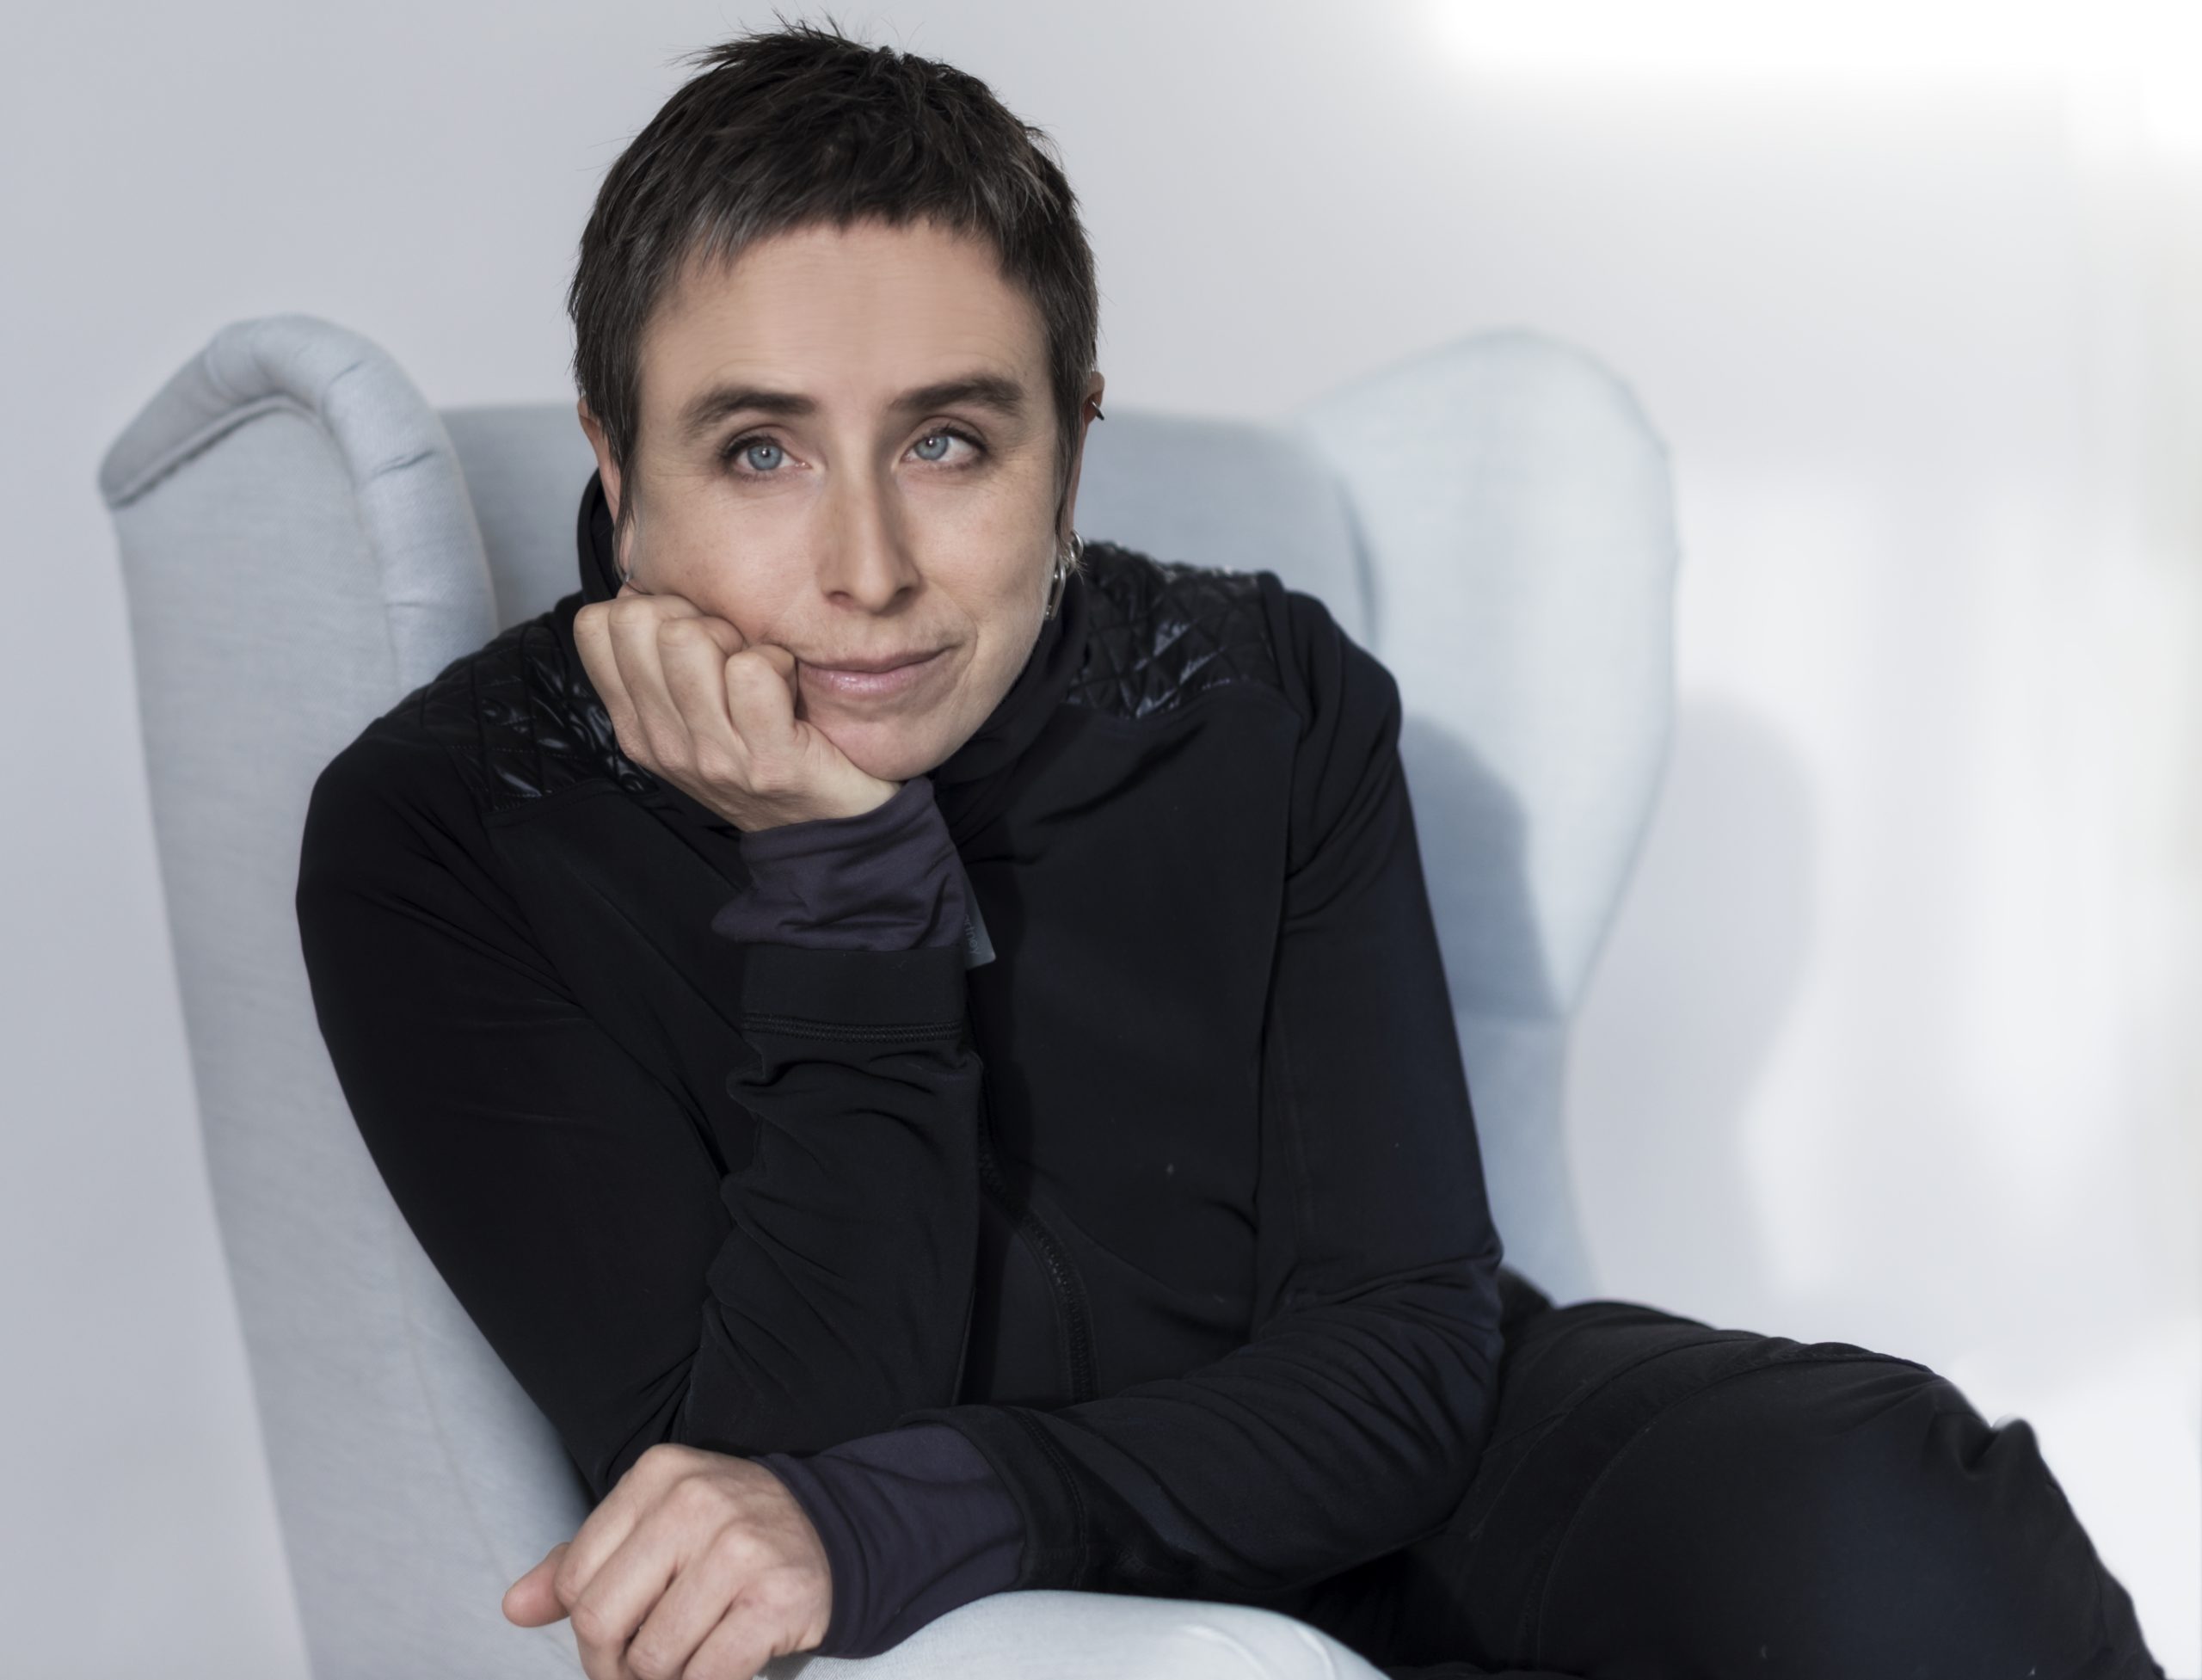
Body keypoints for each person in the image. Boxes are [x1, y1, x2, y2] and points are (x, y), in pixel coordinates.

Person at [292, 22, 2166, 1680]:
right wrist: (844, 881)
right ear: (618, 463)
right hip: (1016, 1624)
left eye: (947, 443)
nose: (864, 571)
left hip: (1378, 1475)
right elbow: (753, 1484)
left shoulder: (1253, 692)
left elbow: (1407, 1346)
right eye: (760, 453)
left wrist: (968, 1491)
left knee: (1886, 1500)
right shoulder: (447, 835)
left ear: (1067, 451)